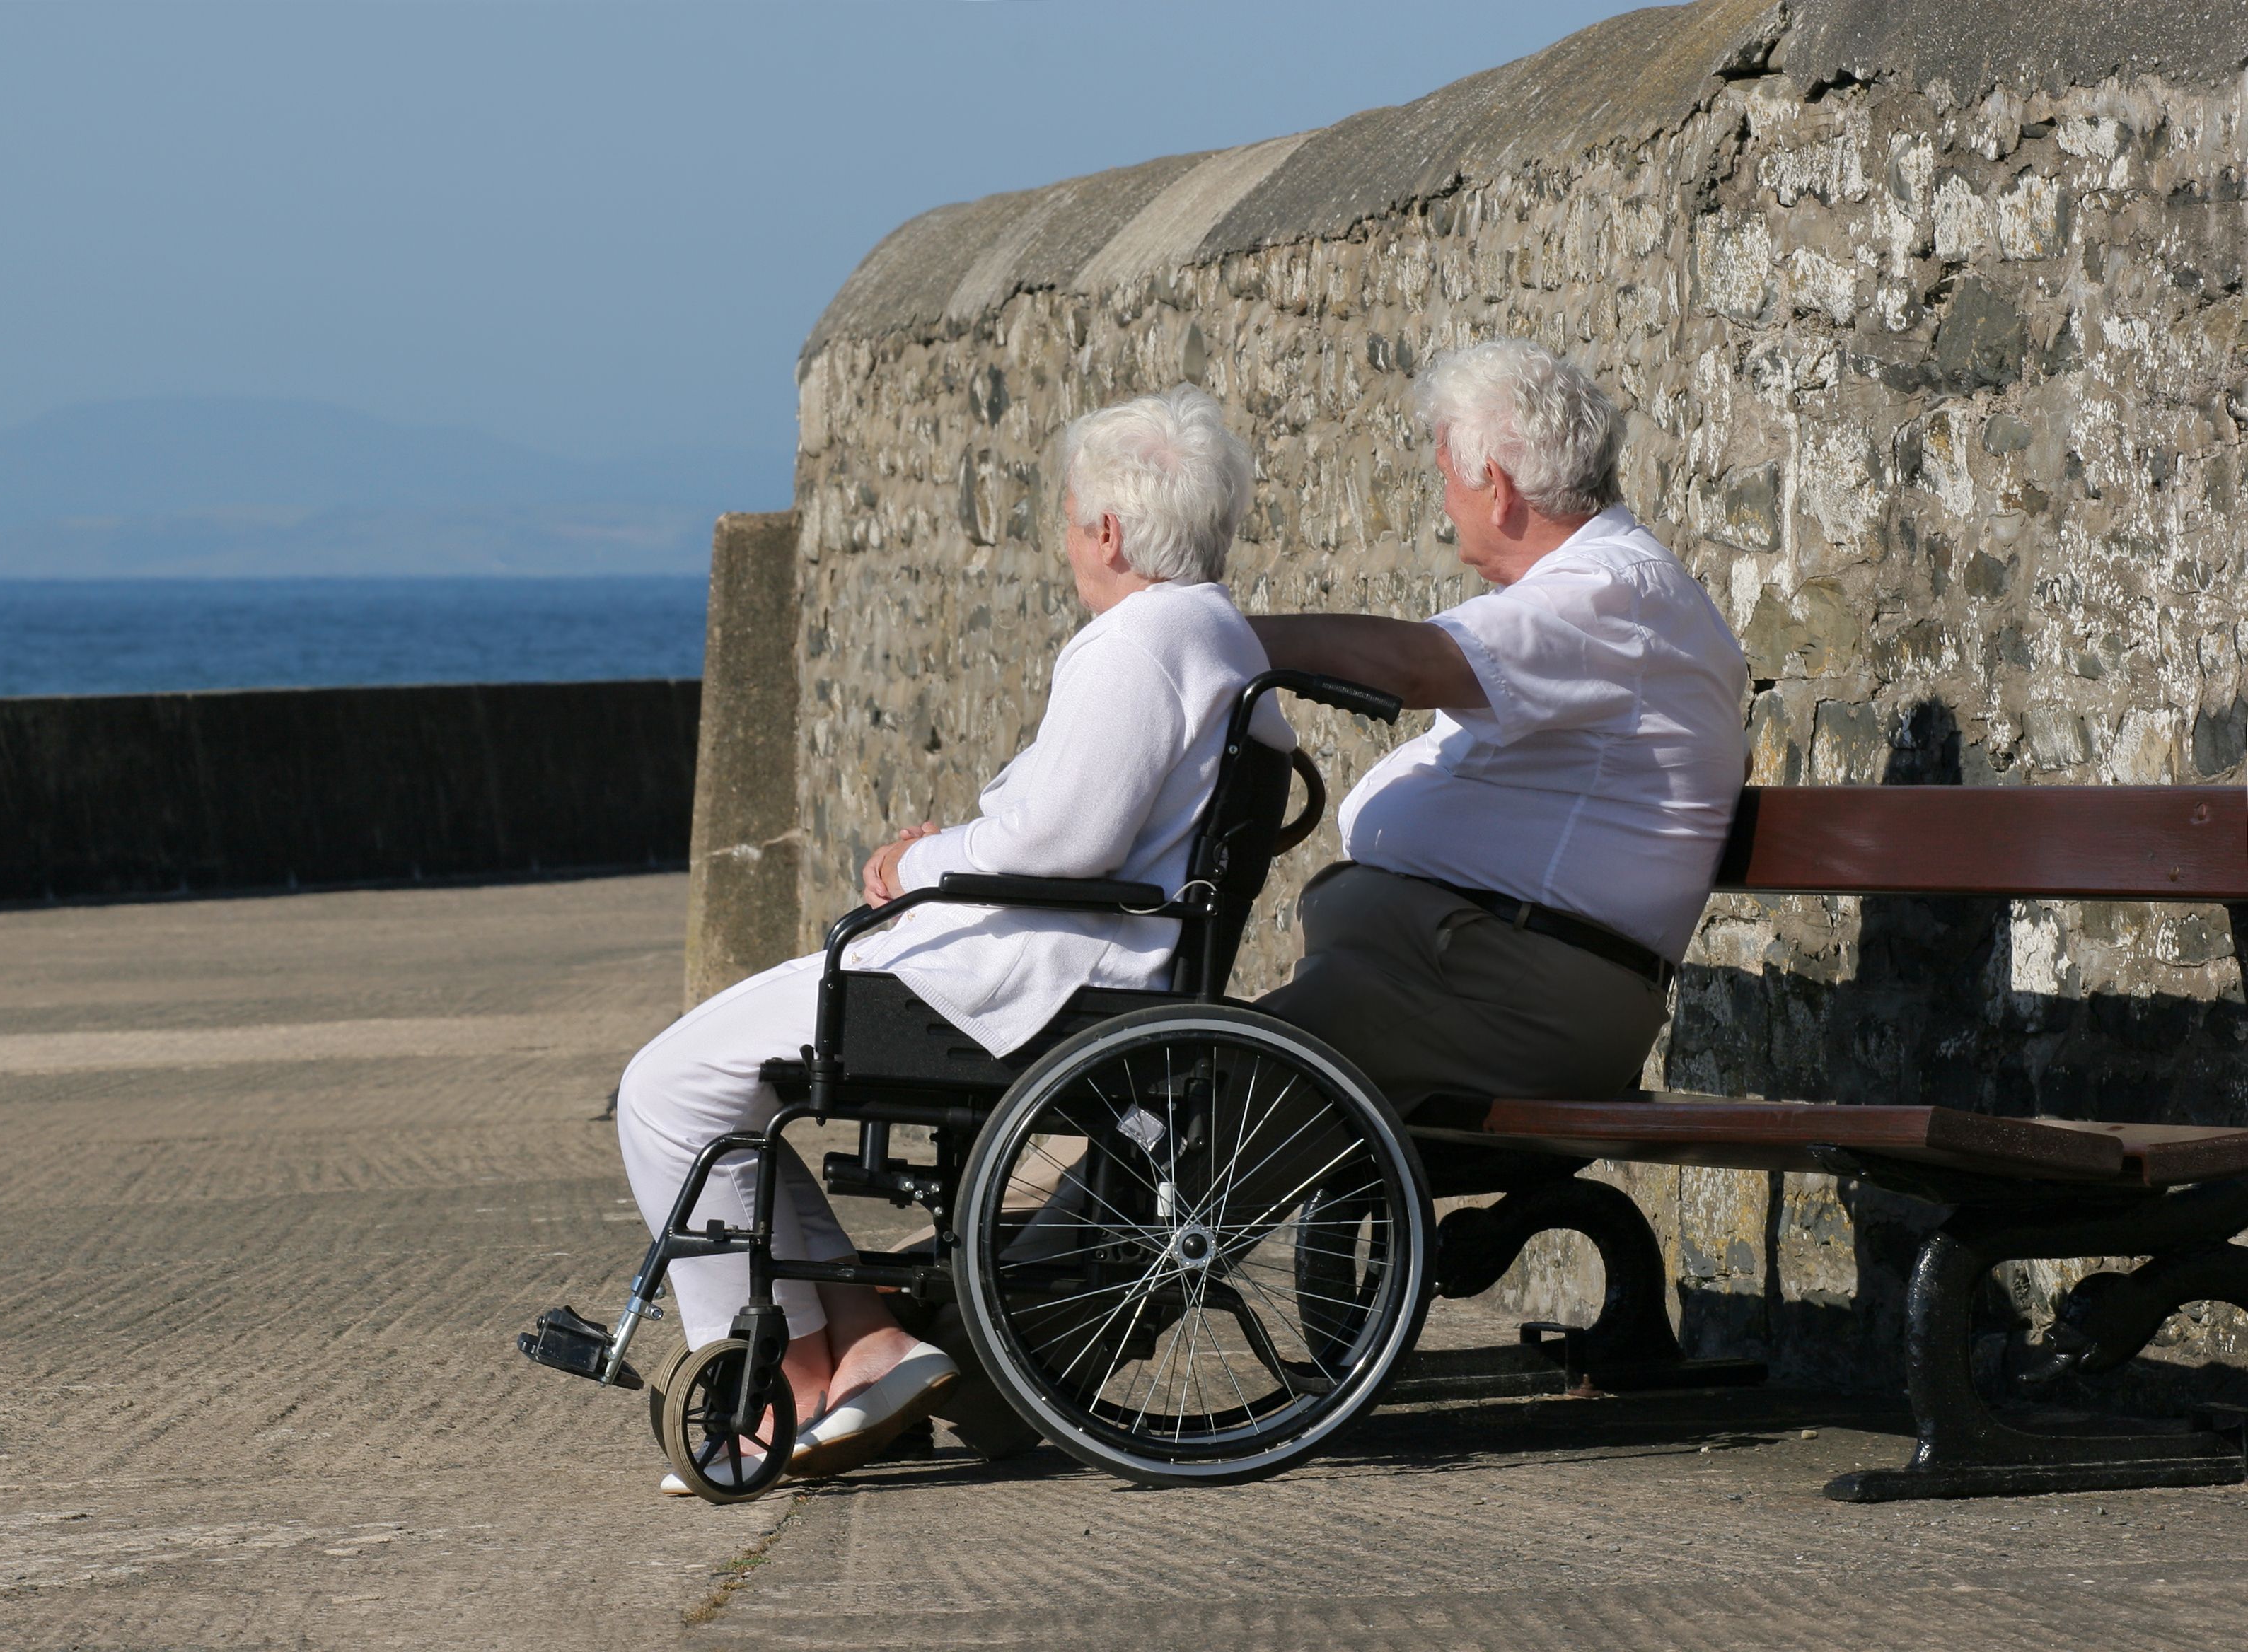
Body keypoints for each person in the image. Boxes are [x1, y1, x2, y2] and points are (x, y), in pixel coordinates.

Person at [616, 383, 1290, 1493]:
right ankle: (861, 1340)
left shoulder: (1139, 643)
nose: (1069, 541)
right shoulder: (1215, 635)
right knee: (704, 1083)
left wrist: (918, 863)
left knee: (667, 1087)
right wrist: (964, 847)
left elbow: (1065, 837)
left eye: (1071, 520)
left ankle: (788, 1367)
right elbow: (1070, 827)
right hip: (1065, 961)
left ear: (1108, 532)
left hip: (1029, 981)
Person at [1251, 338, 1747, 1107]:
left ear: (1499, 489)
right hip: (1467, 974)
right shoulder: (1577, 595)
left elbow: (1421, 666)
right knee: (1206, 1079)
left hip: (1520, 997)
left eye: (1446, 477)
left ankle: (1060, 1219)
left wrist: (1215, 637)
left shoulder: (1614, 592)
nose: (1443, 501)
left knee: (1226, 1087)